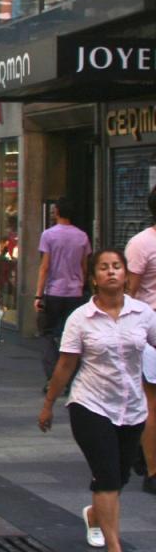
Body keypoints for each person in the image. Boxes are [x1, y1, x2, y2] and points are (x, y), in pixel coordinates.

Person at [39, 249, 156, 552]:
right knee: (106, 477)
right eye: (104, 268)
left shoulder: (143, 314)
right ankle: (114, 546)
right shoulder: (81, 318)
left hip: (131, 407)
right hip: (90, 404)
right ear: (94, 278)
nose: (111, 272)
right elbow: (65, 364)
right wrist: (49, 403)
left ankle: (94, 515)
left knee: (118, 478)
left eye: (117, 267)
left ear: (126, 274)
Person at [36, 197, 92, 386]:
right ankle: (69, 378)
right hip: (75, 293)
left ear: (57, 211)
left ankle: (53, 376)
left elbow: (45, 267)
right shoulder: (82, 236)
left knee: (48, 333)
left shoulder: (49, 235)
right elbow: (84, 267)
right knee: (73, 335)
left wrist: (38, 294)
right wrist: (81, 284)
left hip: (54, 292)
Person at [124, 186, 156, 494]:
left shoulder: (141, 243)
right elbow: (130, 292)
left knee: (150, 402)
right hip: (150, 331)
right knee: (151, 401)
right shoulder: (142, 243)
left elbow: (130, 291)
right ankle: (152, 467)